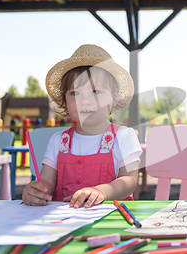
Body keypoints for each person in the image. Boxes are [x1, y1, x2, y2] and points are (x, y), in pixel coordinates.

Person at [22, 44, 142, 208]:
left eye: (95, 91)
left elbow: (129, 180)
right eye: (75, 93)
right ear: (65, 100)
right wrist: (35, 191)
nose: (84, 100)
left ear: (114, 97)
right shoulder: (58, 141)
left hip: (110, 221)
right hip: (61, 224)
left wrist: (102, 191)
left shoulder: (124, 136)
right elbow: (46, 181)